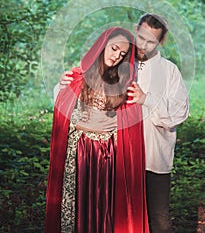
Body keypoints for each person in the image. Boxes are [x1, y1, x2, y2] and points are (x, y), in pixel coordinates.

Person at [58, 14, 190, 233]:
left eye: (151, 41)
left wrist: (147, 99)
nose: (143, 45)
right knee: (119, 219)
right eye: (141, 37)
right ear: (135, 30)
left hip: (153, 158)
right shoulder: (117, 61)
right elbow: (86, 86)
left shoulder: (169, 71)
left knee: (159, 220)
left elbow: (180, 112)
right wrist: (65, 81)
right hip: (118, 158)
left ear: (160, 43)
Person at [44, 27, 149, 233]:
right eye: (114, 49)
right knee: (79, 202)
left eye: (122, 55)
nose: (116, 57)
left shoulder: (125, 85)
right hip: (80, 151)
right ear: (102, 46)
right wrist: (61, 85)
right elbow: (62, 106)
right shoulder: (78, 77)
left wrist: (143, 99)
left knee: (105, 205)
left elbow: (132, 125)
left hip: (109, 154)